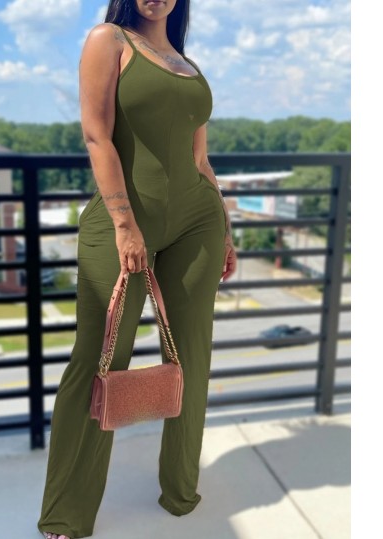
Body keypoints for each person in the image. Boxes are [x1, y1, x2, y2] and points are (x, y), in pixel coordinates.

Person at [37, 1, 237, 537]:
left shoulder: (186, 64)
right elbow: (97, 135)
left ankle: (180, 490)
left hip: (197, 222)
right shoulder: (109, 40)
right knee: (98, 359)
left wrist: (224, 227)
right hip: (124, 221)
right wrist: (125, 225)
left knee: (192, 355)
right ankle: (67, 513)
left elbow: (199, 160)